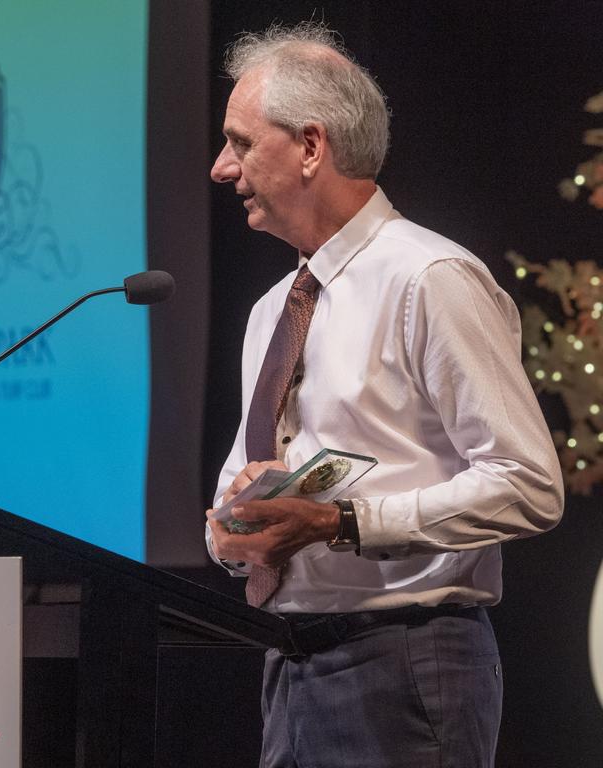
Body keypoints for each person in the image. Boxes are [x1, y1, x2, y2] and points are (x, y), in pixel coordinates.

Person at [204, 22, 563, 768]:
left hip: (408, 661)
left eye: (239, 142)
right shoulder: (273, 309)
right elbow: (242, 486)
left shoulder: (429, 278)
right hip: (287, 663)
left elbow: (528, 485)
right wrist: (234, 531)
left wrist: (340, 522)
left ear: (310, 146)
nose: (219, 167)